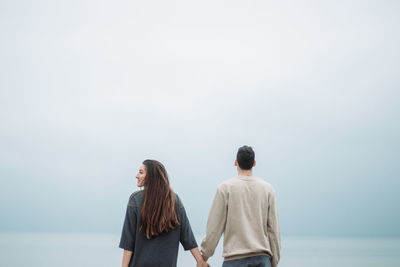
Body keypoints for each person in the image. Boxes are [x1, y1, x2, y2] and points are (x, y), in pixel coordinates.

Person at [200, 146, 281, 267]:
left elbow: (214, 228)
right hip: (262, 259)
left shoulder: (225, 188)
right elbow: (273, 230)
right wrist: (274, 261)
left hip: (234, 259)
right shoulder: (268, 190)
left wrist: (204, 257)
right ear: (254, 163)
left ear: (236, 162)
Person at [119, 159, 208, 267]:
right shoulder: (175, 200)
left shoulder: (135, 200)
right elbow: (187, 237)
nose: (137, 176)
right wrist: (200, 261)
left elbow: (128, 242)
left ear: (152, 176)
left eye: (141, 172)